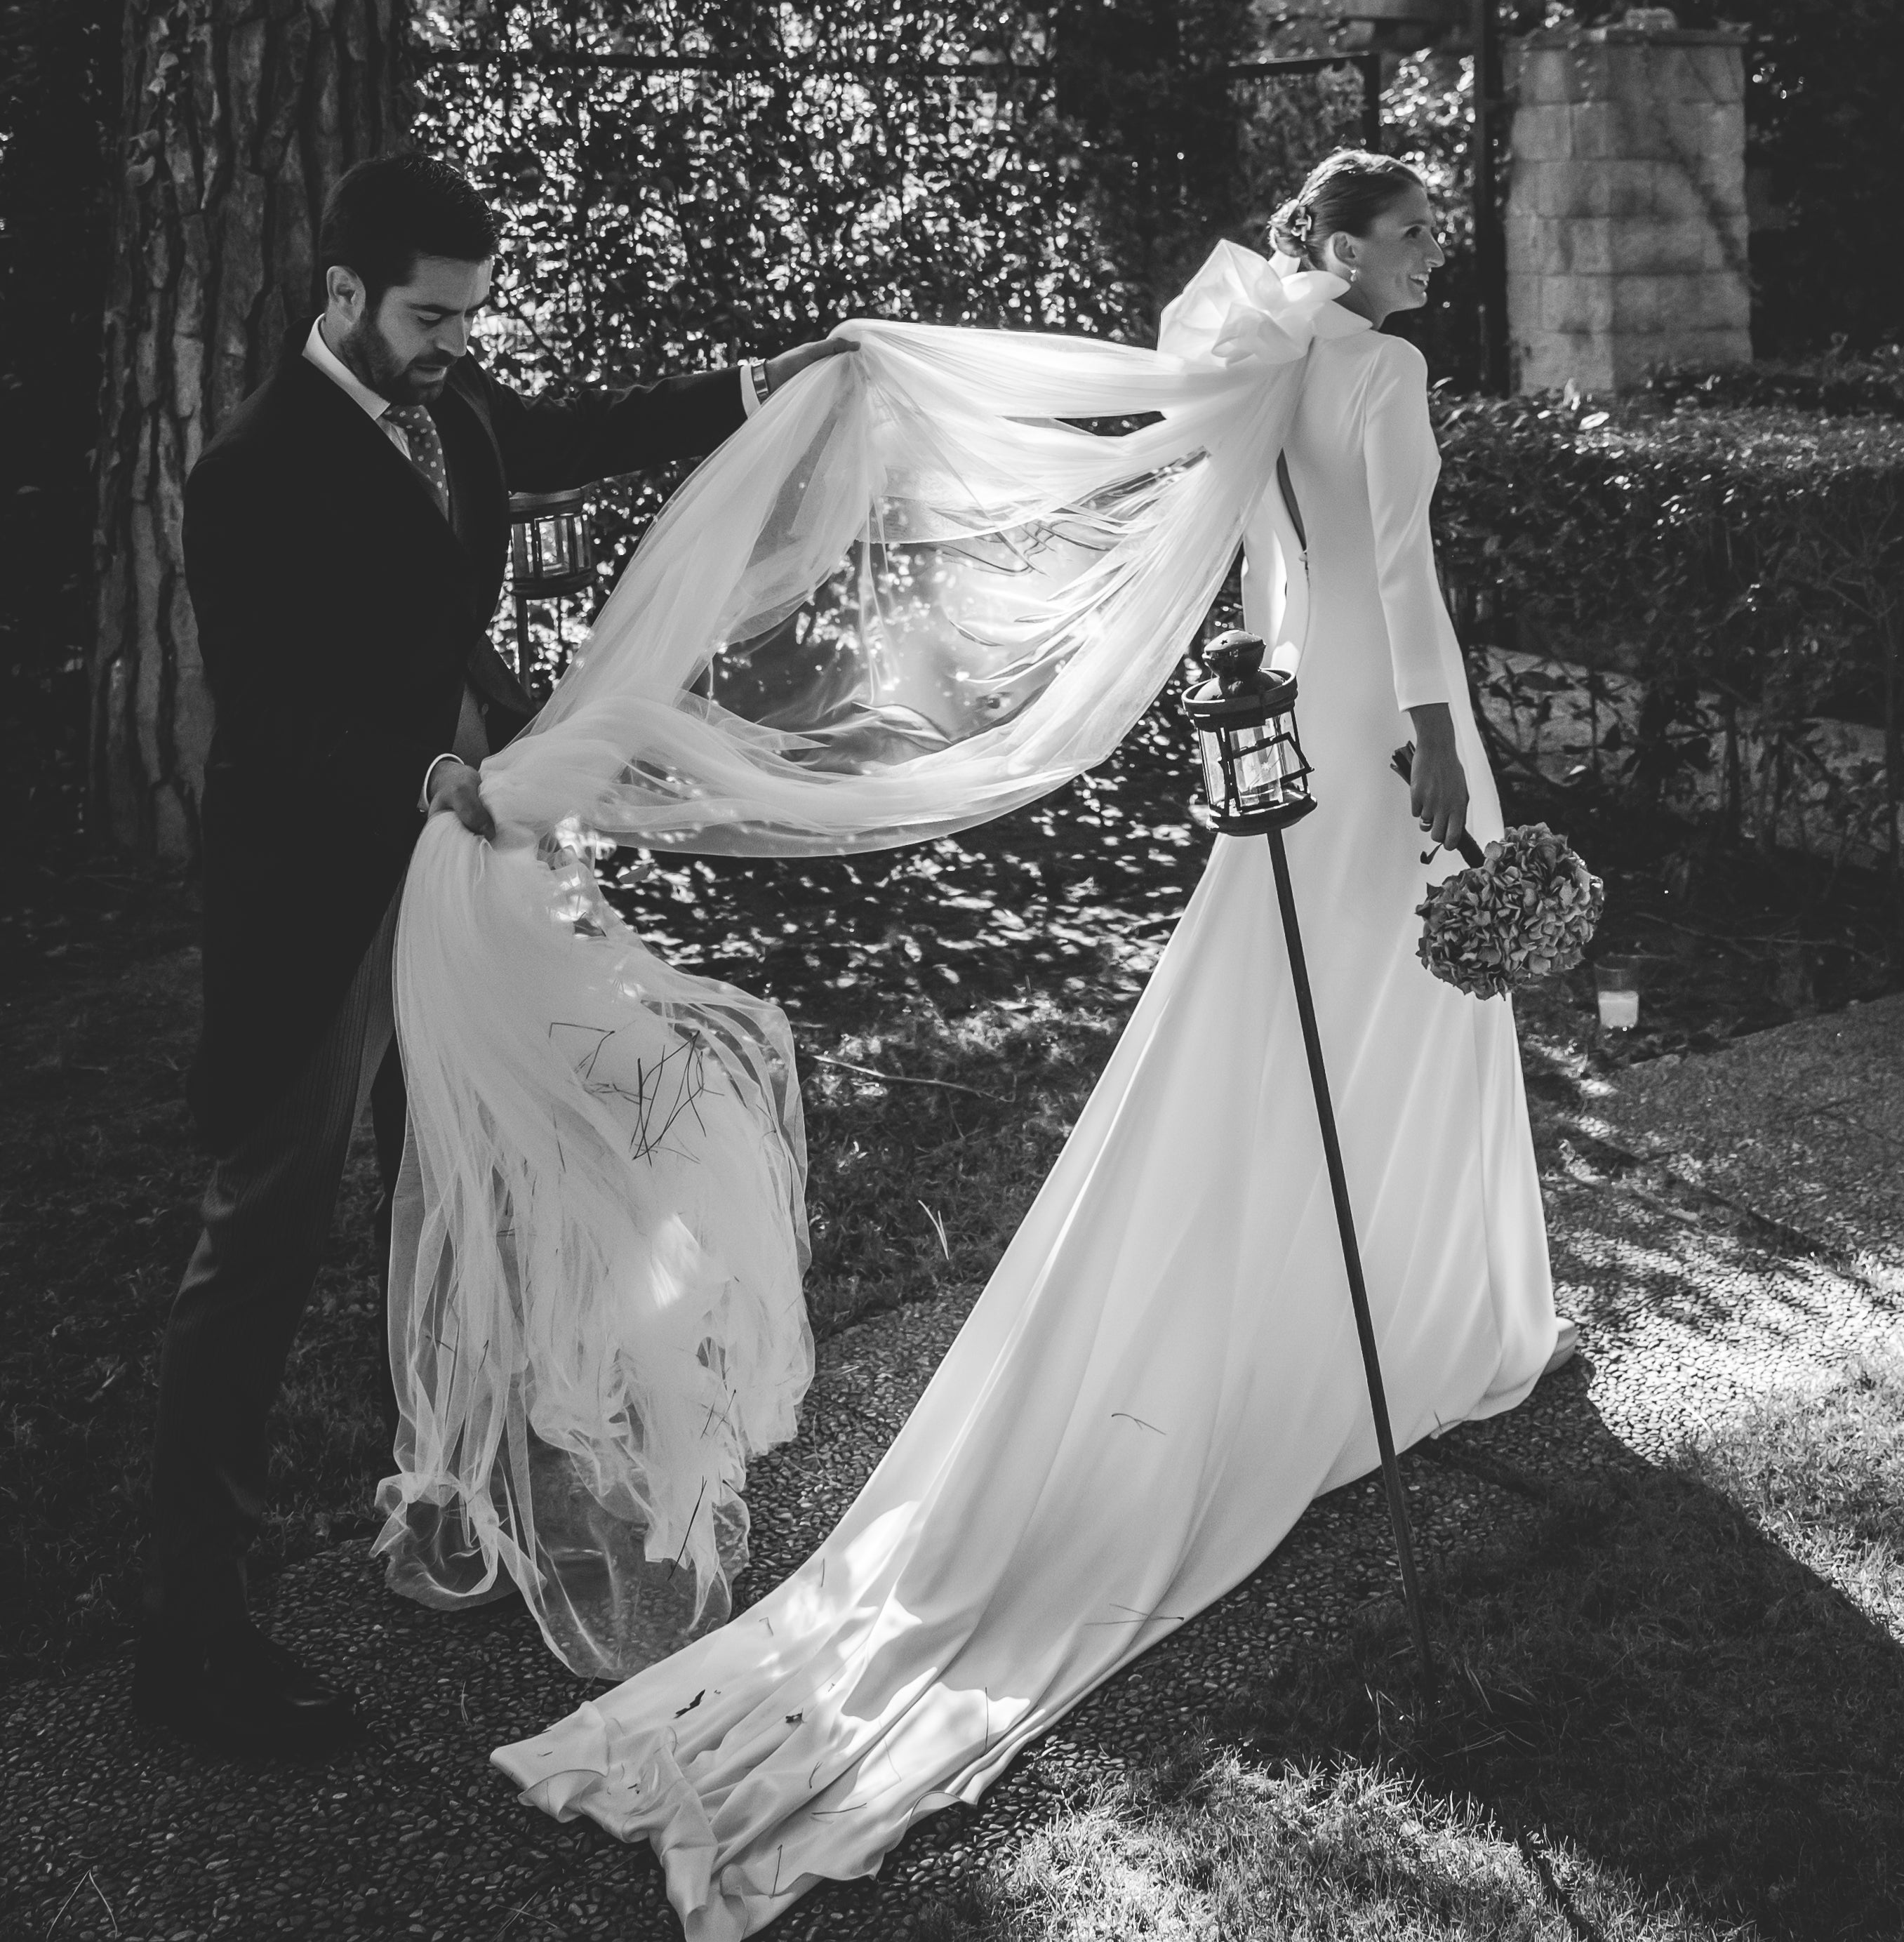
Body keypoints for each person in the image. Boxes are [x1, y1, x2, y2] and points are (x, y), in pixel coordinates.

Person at [484, 150, 1559, 1937]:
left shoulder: (1272, 349)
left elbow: (1271, 576)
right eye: (1417, 229)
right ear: (1347, 243)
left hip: (1308, 720)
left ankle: (1365, 1315)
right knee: (1398, 1009)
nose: (1438, 251)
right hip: (1391, 720)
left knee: (1316, 1017)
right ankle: (1413, 1315)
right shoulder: (1373, 366)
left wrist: (1309, 708)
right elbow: (1396, 560)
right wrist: (1439, 743)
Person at [137, 146, 850, 1762]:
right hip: (323, 905)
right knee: (259, 1243)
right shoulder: (250, 470)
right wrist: (425, 772)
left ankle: (444, 1495)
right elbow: (269, 718)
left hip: (466, 886)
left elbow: (564, 437)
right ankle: (192, 1639)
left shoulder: (450, 404)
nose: (457, 340)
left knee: (464, 1186)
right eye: (428, 313)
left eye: (470, 313)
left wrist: (761, 382)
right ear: (341, 296)